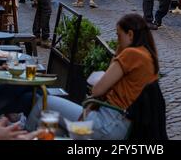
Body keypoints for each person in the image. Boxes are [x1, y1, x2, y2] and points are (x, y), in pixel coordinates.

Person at [26, 14, 161, 140]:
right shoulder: (148, 56)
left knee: (45, 102)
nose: (118, 41)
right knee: (53, 127)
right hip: (118, 126)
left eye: (119, 36)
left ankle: (22, 136)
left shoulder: (131, 54)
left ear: (130, 34)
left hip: (105, 125)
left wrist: (118, 53)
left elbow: (97, 90)